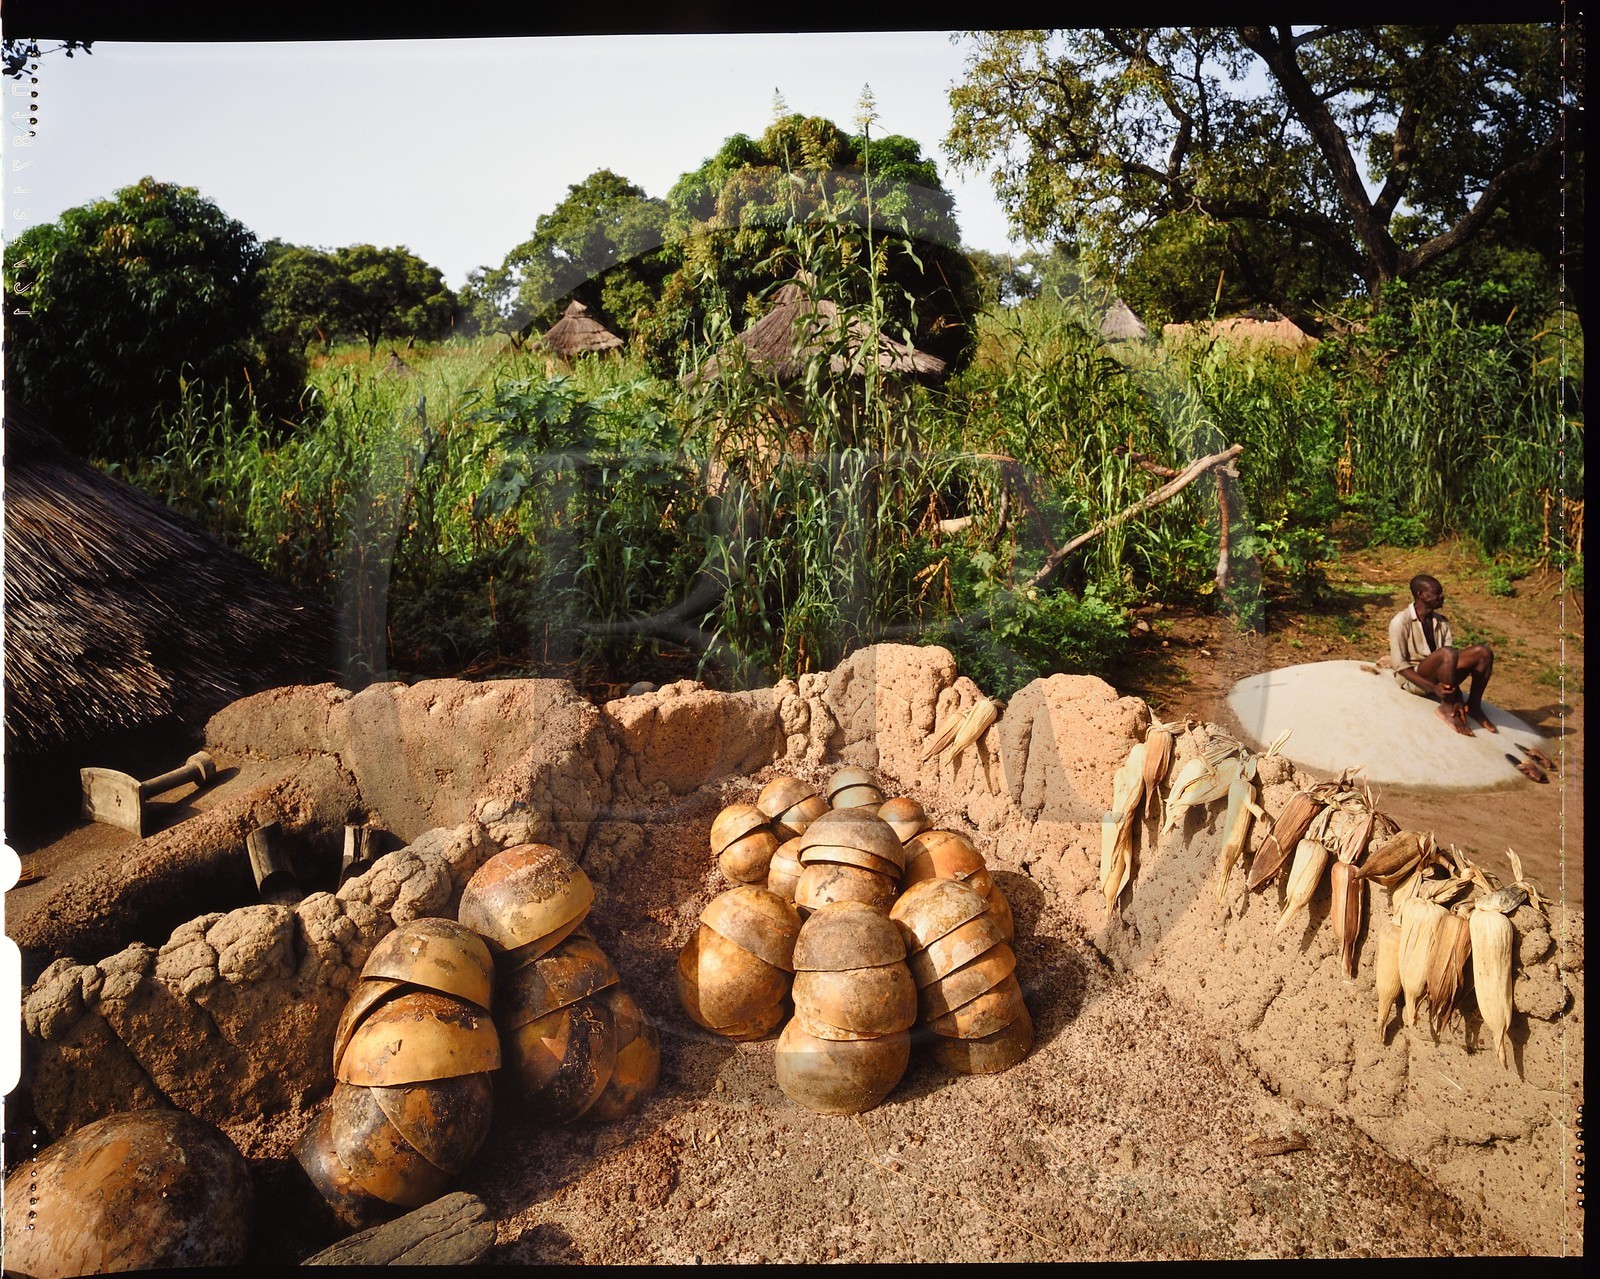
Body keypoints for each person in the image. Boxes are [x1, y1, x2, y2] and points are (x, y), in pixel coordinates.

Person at [1386, 573, 1496, 736]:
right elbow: (1400, 667)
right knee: (1446, 652)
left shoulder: (1441, 622)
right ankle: (1445, 707)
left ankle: (1474, 706)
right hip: (1415, 679)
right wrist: (1433, 689)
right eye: (1437, 593)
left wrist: (1458, 696)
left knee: (1483, 652)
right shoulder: (1401, 621)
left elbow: (1450, 663)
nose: (1442, 596)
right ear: (1421, 595)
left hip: (1440, 677)